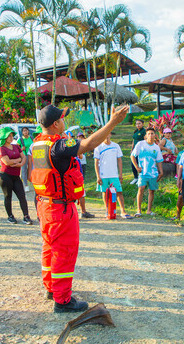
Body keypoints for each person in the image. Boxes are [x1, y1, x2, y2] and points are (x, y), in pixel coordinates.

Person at [30, 104, 129, 313]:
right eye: (63, 119)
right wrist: (112, 122)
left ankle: (51, 288)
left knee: (50, 248)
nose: (65, 121)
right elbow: (88, 144)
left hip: (44, 206)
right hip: (60, 209)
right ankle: (63, 300)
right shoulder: (60, 146)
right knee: (64, 252)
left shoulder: (38, 144)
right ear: (56, 124)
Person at [0, 126, 32, 224]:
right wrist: (18, 160)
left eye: (12, 135)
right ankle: (10, 216)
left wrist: (20, 163)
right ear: (4, 137)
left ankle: (26, 216)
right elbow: (7, 162)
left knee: (22, 196)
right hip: (5, 176)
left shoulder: (16, 146)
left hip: (16, 176)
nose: (11, 137)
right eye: (9, 136)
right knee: (8, 196)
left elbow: (23, 157)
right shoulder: (1, 149)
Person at [94, 133, 132, 219]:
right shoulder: (98, 147)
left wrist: (120, 174)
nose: (106, 136)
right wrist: (98, 176)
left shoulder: (116, 146)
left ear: (110, 134)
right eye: (104, 134)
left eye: (108, 134)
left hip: (114, 174)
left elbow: (119, 160)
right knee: (105, 192)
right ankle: (108, 210)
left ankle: (123, 211)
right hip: (103, 175)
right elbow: (96, 162)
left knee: (119, 192)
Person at [131, 127, 164, 216]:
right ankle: (139, 210)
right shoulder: (140, 144)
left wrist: (161, 172)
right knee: (141, 189)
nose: (150, 135)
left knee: (151, 191)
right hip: (143, 172)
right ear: (146, 135)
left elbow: (159, 161)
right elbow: (133, 156)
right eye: (148, 133)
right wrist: (137, 167)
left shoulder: (156, 147)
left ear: (155, 135)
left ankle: (149, 210)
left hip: (153, 173)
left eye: (152, 133)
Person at [75, 132, 95, 219]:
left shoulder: (77, 151)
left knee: (81, 192)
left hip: (78, 173)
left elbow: (81, 156)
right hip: (72, 174)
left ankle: (83, 212)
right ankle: (76, 212)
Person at [130, 119, 146, 184]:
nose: (138, 125)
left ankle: (140, 178)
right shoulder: (136, 131)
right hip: (135, 150)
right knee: (133, 163)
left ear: (142, 124)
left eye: (139, 123)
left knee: (140, 163)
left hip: (141, 150)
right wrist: (132, 149)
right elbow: (134, 140)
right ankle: (135, 177)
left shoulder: (144, 131)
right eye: (137, 124)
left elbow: (146, 140)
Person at [18, 126, 34, 192]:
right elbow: (17, 149)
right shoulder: (21, 140)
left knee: (32, 168)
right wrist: (22, 149)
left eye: (26, 130)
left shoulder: (31, 138)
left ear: (28, 131)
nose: (25, 132)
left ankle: (32, 181)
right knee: (24, 170)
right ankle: (26, 185)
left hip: (32, 156)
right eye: (24, 131)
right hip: (24, 156)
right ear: (22, 132)